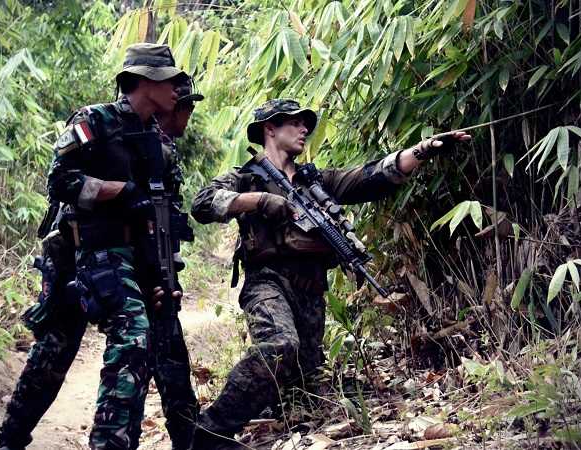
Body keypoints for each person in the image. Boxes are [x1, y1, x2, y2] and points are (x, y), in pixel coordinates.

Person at [189, 99, 470, 449]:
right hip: (268, 282)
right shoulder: (246, 177)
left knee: (302, 383)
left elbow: (372, 177)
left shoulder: (316, 181)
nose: (305, 129)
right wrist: (259, 201)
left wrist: (423, 150)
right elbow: (202, 203)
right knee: (279, 346)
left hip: (310, 291)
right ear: (269, 129)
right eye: (295, 122)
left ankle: (274, 419)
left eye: (306, 123)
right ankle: (209, 431)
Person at [0, 43, 197, 450]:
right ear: (143, 81)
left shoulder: (159, 143)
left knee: (142, 338)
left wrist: (164, 275)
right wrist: (119, 191)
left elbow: (163, 216)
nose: (177, 89)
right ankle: (11, 436)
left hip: (132, 259)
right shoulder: (96, 121)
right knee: (54, 351)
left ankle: (116, 442)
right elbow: (60, 181)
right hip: (82, 253)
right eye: (168, 79)